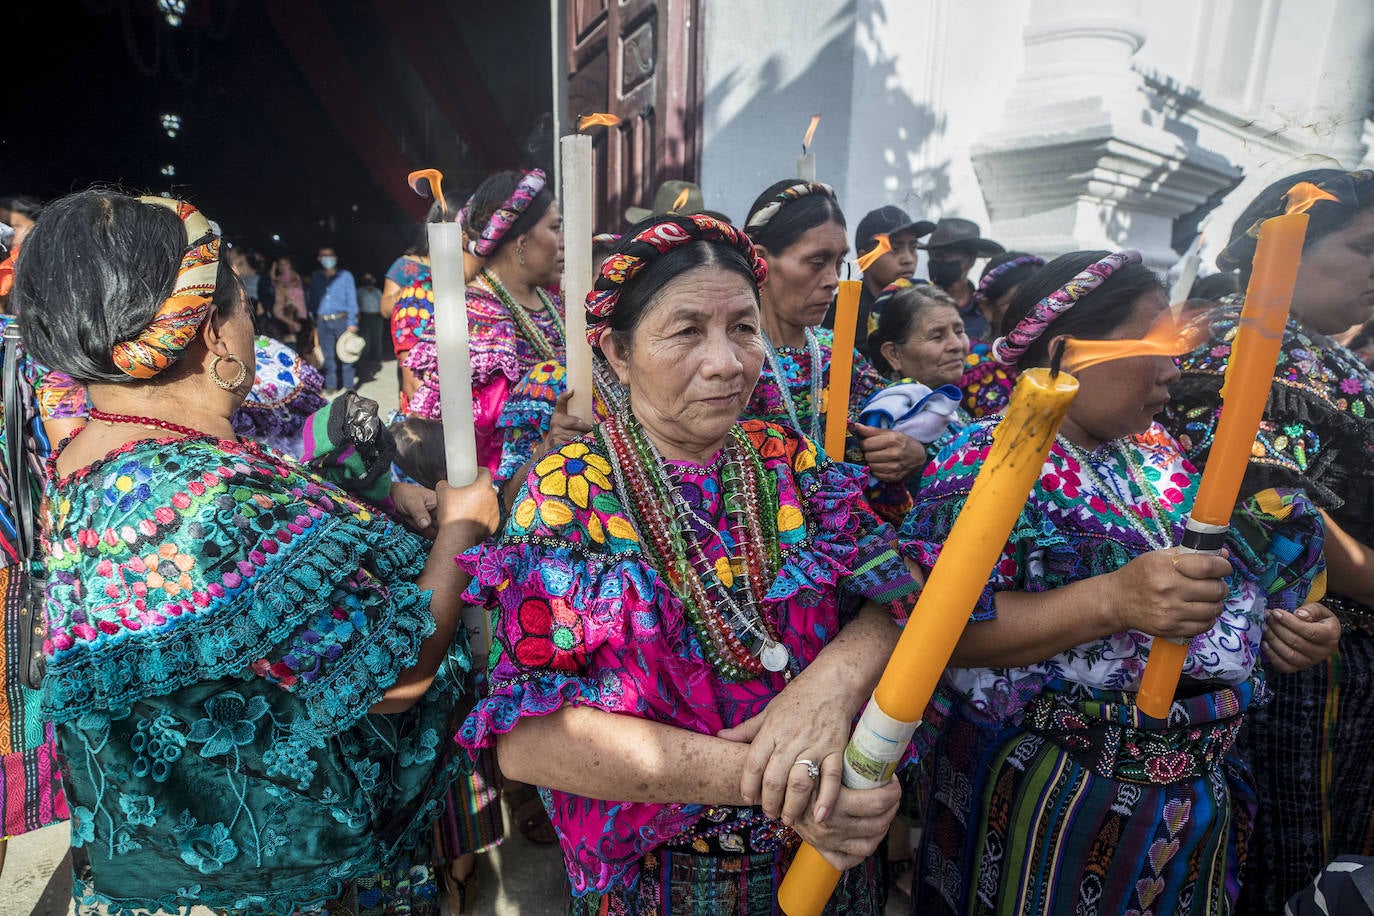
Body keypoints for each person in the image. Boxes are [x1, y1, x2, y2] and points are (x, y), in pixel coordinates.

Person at [14, 190, 500, 914]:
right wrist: (463, 533)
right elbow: (395, 681)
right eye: (246, 312)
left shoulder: (88, 458)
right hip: (293, 885)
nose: (254, 330)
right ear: (213, 333)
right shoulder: (221, 498)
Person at [459, 213, 922, 912]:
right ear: (617, 353)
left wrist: (825, 689)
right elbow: (528, 745)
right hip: (667, 881)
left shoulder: (786, 461)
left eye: (742, 327)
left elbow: (897, 599)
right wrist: (764, 778)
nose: (727, 362)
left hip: (829, 862)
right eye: (686, 331)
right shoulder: (569, 495)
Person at [899, 249, 1335, 916]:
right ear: (1072, 351)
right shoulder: (984, 458)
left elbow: (1193, 583)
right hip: (1048, 799)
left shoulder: (1153, 450)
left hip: (1184, 796)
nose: (1173, 367)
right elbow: (941, 632)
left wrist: (1282, 626)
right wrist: (1112, 600)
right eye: (1156, 344)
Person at [1162, 168, 1374, 913]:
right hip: (1299, 647)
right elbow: (1275, 514)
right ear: (1280, 248)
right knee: (1294, 857)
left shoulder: (1307, 344)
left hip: (1329, 643)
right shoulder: (1244, 344)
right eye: (1363, 248)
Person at [742, 179, 924, 522]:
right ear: (762, 262)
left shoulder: (836, 352)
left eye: (839, 263)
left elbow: (918, 426)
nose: (833, 279)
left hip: (852, 539)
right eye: (816, 262)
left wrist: (910, 452)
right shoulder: (731, 360)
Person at [408, 169, 564, 475]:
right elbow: (480, 441)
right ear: (522, 241)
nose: (563, 241)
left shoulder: (553, 301)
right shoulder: (477, 318)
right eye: (556, 228)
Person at [826, 206, 934, 350]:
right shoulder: (843, 312)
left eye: (913, 247)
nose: (908, 259)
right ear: (864, 258)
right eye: (894, 248)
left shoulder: (922, 305)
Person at [957, 252, 1044, 419]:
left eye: (1045, 302)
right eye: (1020, 302)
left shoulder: (1060, 353)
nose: (1038, 312)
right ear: (987, 308)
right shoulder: (977, 367)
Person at [920, 217, 1005, 340]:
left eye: (945, 254)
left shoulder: (986, 310)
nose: (937, 261)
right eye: (933, 254)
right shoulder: (917, 304)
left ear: (970, 259)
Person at [307, 245, 358, 392]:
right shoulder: (316, 276)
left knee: (346, 353)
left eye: (330, 255)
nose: (327, 258)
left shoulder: (345, 276)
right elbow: (313, 300)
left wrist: (352, 322)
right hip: (322, 321)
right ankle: (331, 385)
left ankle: (349, 386)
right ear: (319, 259)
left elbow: (352, 299)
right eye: (324, 256)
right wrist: (314, 321)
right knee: (328, 355)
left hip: (342, 319)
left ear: (335, 258)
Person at [270, 256, 307, 345]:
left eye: (285, 264)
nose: (283, 267)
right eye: (280, 265)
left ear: (290, 265)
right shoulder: (279, 278)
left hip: (294, 300)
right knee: (277, 312)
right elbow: (273, 279)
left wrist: (283, 285)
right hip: (284, 303)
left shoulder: (292, 274)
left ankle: (294, 327)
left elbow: (295, 282)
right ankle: (293, 326)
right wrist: (273, 267)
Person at [355, 272, 384, 382]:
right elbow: (356, 305)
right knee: (365, 339)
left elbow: (381, 304)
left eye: (370, 279)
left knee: (377, 337)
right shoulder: (360, 292)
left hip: (376, 316)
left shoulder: (377, 292)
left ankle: (377, 358)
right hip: (365, 316)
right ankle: (365, 359)